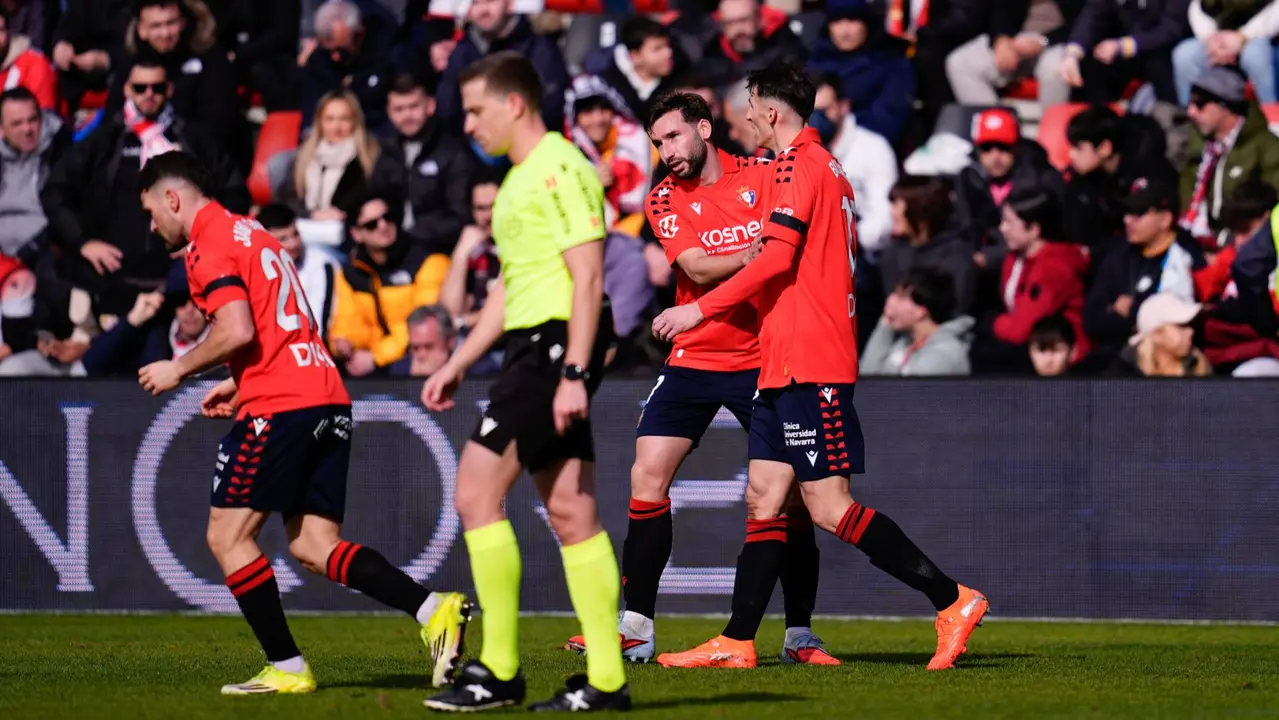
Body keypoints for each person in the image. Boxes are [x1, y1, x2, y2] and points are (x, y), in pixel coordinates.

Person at [651, 62, 987, 671]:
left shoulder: (802, 166)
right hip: (781, 360)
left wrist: (699, 310)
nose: (745, 117)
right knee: (764, 498)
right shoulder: (815, 165)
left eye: (751, 106)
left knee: (828, 506)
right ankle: (737, 640)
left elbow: (776, 260)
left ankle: (951, 599)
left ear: (772, 112)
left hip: (811, 357)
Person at [133, 150, 470, 695]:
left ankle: (286, 667)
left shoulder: (207, 246)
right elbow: (286, 325)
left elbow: (238, 329)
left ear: (173, 198)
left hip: (283, 404)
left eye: (151, 211)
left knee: (227, 535)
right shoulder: (255, 234)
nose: (152, 225)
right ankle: (434, 610)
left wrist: (181, 365)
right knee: (314, 544)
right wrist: (237, 382)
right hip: (325, 395)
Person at [562, 91, 835, 667]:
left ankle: (800, 636)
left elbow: (793, 247)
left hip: (764, 357)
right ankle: (635, 627)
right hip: (695, 354)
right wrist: (753, 256)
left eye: (673, 137)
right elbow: (693, 267)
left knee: (787, 504)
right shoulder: (663, 197)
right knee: (646, 473)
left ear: (705, 129)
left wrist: (770, 255)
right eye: (657, 142)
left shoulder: (765, 174)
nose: (666, 152)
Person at [420, 52, 629, 712]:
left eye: (477, 110)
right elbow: (510, 296)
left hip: (551, 351)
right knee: (571, 511)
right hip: (532, 347)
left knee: (475, 493)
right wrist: (456, 360)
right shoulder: (513, 183)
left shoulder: (560, 166)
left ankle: (498, 672)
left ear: (514, 104)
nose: (470, 125)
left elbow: (588, 278)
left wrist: (573, 370)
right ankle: (606, 683)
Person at [861, 268, 974, 376]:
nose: (890, 300)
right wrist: (886, 322)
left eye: (900, 297)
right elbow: (867, 376)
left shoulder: (944, 354)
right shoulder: (904, 343)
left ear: (921, 311)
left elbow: (909, 394)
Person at [257, 203, 338, 339]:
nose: (293, 244)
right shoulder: (258, 270)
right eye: (283, 239)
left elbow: (319, 321)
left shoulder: (322, 264)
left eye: (296, 234)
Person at [1106, 291, 1213, 376]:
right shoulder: (1123, 376)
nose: (1190, 331)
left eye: (1191, 325)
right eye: (1181, 326)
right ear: (1156, 334)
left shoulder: (1200, 368)